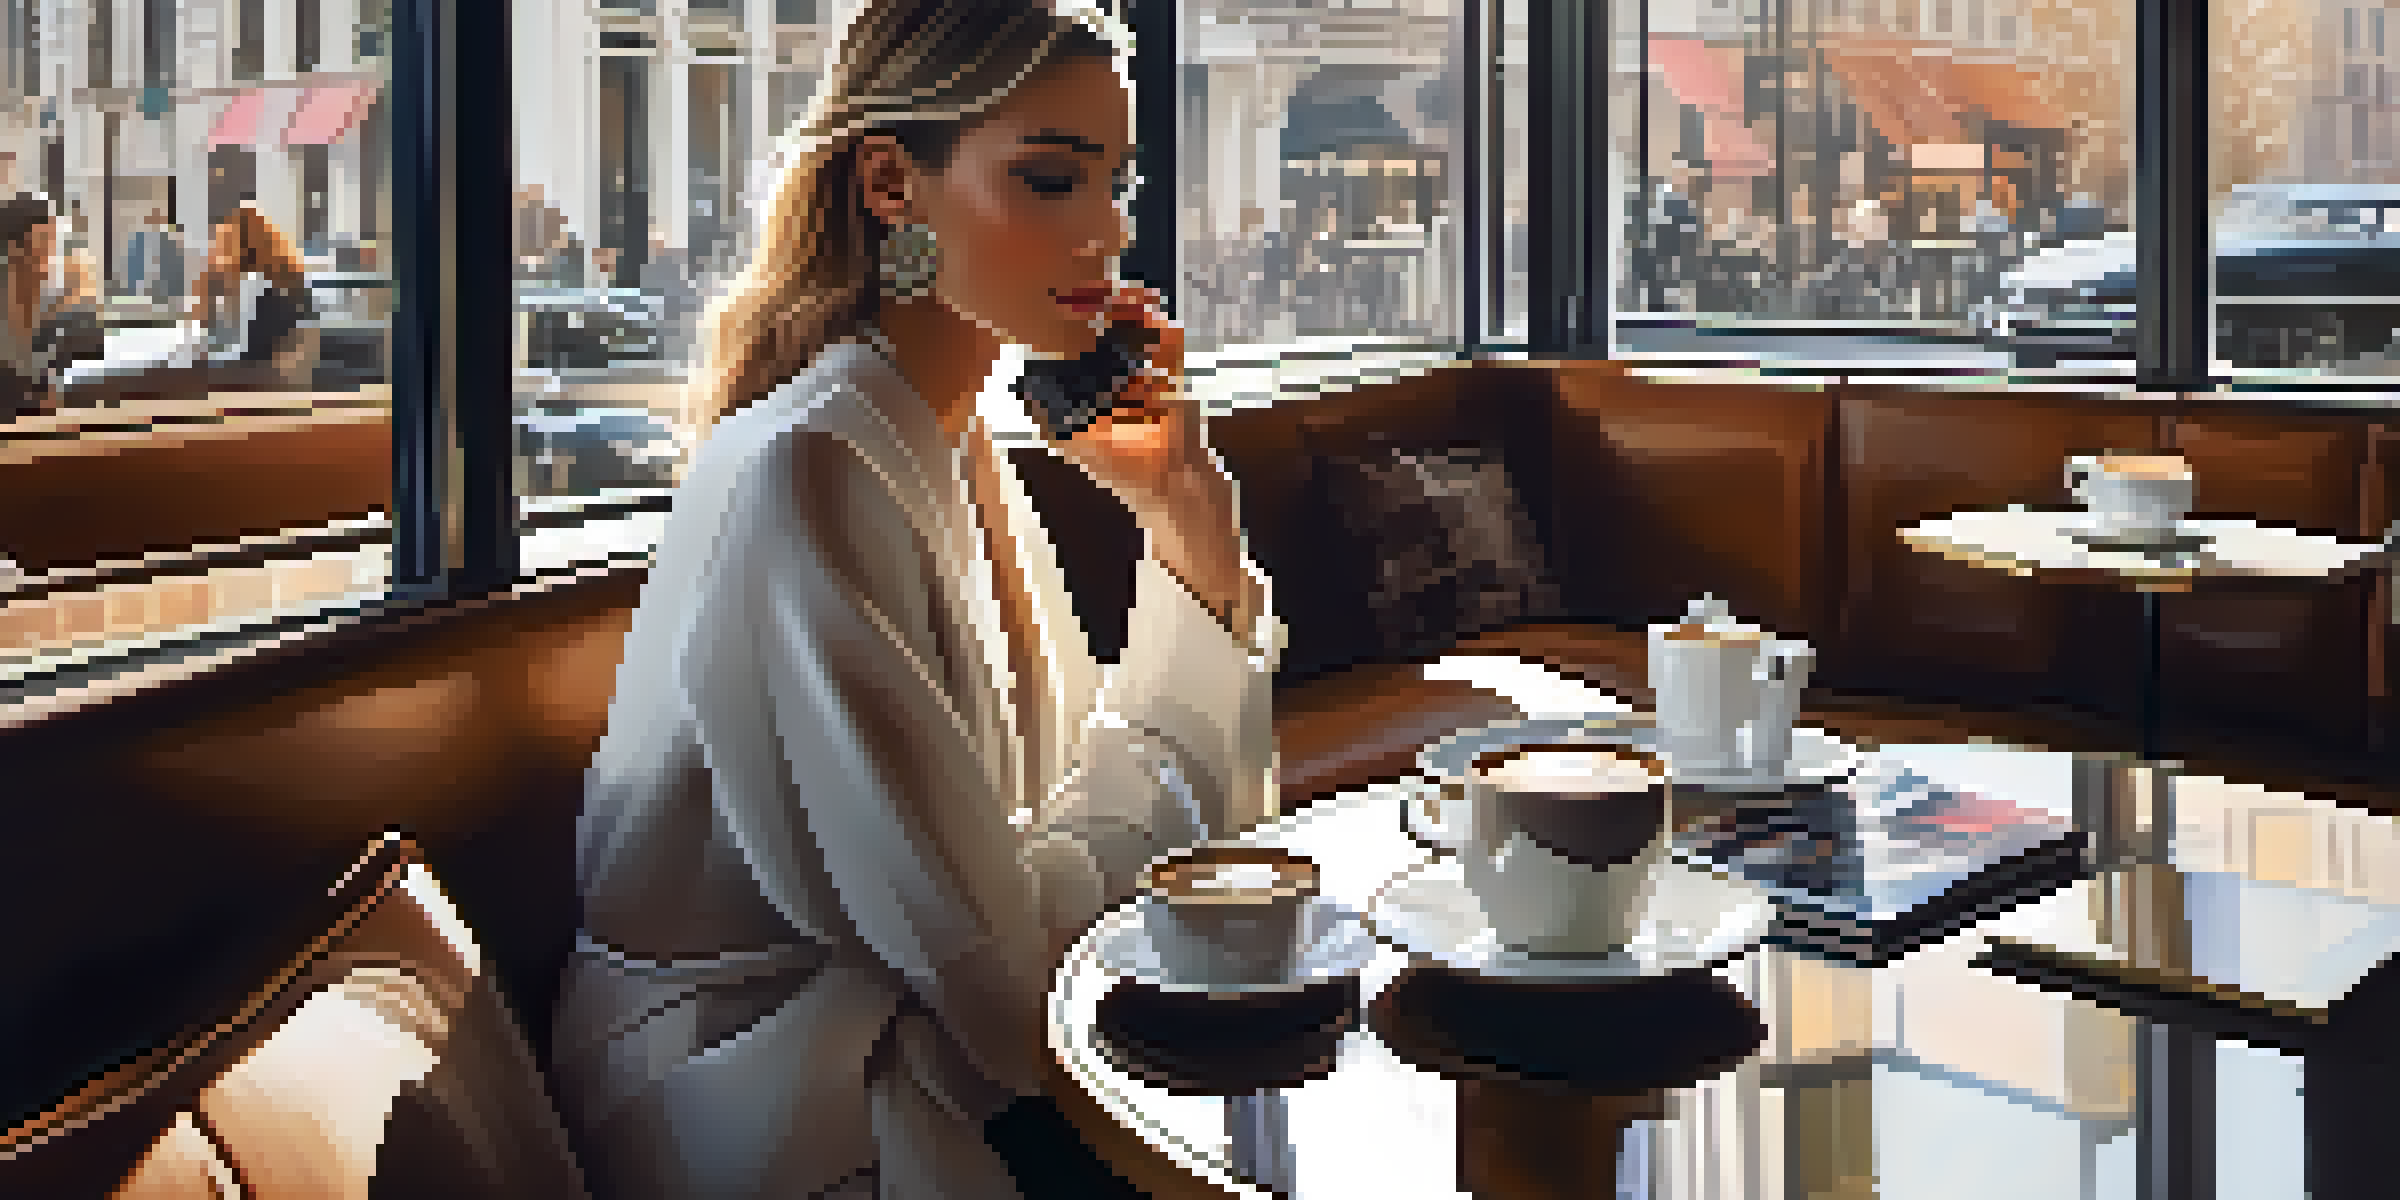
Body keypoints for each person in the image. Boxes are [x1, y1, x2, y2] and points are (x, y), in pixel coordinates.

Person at [551, 1, 1283, 1196]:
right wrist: (1194, 595)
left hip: (923, 1055)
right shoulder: (809, 472)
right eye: (1050, 180)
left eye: (1118, 183)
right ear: (892, 184)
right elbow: (1003, 988)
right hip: (759, 1108)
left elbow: (1050, 843)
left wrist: (1189, 525)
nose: (1106, 231)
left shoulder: (955, 442)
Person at [0, 194, 104, 419]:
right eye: (41, 245)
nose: (49, 256)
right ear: (14, 250)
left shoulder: (64, 306)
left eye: (52, 243)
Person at [189, 202, 317, 369]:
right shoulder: (286, 284)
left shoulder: (253, 289)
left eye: (220, 244)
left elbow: (219, 351)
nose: (214, 253)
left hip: (251, 379)